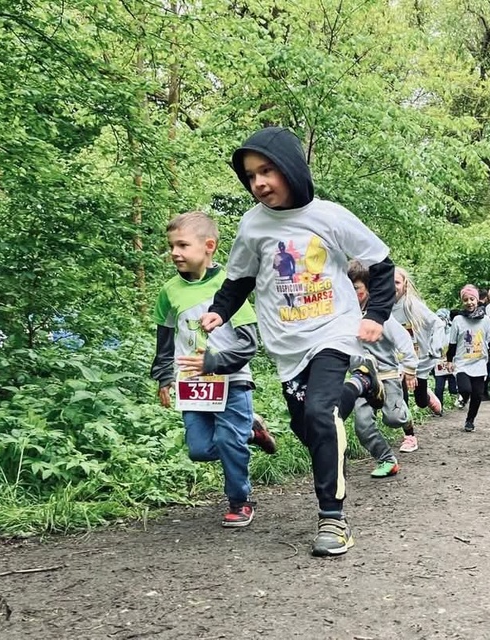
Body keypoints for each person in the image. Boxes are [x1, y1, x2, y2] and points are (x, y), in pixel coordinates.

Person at [199, 126, 394, 557]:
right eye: (251, 176)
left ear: (291, 168)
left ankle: (333, 519)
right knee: (307, 427)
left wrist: (375, 315)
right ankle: (362, 383)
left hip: (334, 330)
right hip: (286, 343)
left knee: (322, 415)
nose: (259, 183)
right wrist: (219, 310)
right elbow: (239, 278)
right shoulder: (253, 225)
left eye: (267, 171)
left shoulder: (330, 216)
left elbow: (381, 264)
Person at [150, 212, 277, 529]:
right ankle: (251, 431)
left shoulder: (229, 287)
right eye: (171, 246)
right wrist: (164, 377)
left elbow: (249, 344)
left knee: (229, 442)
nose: (174, 252)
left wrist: (214, 362)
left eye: (182, 245)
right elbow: (164, 341)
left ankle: (240, 501)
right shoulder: (169, 291)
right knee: (199, 449)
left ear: (208, 246)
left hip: (233, 381)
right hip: (192, 384)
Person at [348, 260, 419, 478]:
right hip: (361, 379)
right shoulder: (344, 316)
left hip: (387, 375)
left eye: (356, 288)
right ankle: (386, 459)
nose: (351, 294)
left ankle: (405, 418)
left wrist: (410, 368)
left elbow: (403, 340)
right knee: (362, 425)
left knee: (393, 419)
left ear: (368, 288)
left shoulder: (380, 315)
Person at [392, 267, 445, 454]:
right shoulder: (383, 306)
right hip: (399, 362)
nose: (392, 286)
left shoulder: (413, 305)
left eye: (397, 282)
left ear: (405, 285)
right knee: (401, 394)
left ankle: (427, 396)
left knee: (421, 402)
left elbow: (438, 324)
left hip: (420, 360)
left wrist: (435, 348)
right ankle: (409, 436)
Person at [447, 284, 490, 432]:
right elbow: (452, 343)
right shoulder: (458, 320)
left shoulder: (485, 320)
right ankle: (463, 397)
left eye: (472, 299)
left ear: (477, 300)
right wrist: (449, 360)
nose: (469, 302)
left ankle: (470, 420)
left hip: (479, 362)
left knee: (477, 395)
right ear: (462, 302)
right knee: (465, 389)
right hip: (462, 362)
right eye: (466, 300)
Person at [432, 308, 459, 405]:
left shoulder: (452, 330)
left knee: (453, 389)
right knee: (438, 388)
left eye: (443, 318)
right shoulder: (433, 331)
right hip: (438, 364)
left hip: (451, 363)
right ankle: (439, 408)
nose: (441, 320)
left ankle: (462, 398)